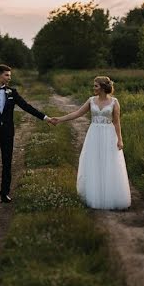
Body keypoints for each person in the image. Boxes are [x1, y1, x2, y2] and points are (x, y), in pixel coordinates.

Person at [51, 75, 131, 210]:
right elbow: (77, 114)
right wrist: (59, 119)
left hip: (109, 135)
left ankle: (111, 197)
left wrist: (120, 139)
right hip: (94, 134)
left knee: (109, 163)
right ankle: (94, 195)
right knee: (94, 162)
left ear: (103, 87)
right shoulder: (91, 100)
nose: (93, 88)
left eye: (96, 86)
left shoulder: (114, 102)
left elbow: (117, 122)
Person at [0, 64, 54, 206]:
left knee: (7, 163)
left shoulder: (12, 92)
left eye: (10, 75)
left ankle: (5, 194)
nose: (9, 78)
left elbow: (27, 107)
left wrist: (46, 118)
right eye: (7, 75)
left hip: (8, 133)